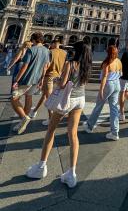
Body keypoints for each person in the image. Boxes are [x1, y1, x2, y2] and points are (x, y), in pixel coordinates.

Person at [26, 41, 92, 188]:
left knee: (51, 130)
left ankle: (41, 167)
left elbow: (62, 84)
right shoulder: (87, 66)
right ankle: (72, 173)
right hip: (80, 99)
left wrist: (57, 79)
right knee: (73, 134)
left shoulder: (71, 63)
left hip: (67, 100)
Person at [11, 33, 50, 135]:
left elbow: (24, 66)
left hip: (26, 79)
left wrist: (16, 80)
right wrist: (42, 79)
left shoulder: (31, 50)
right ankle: (22, 122)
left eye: (31, 40)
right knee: (29, 97)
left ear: (34, 40)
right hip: (37, 80)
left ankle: (24, 118)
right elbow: (45, 67)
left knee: (14, 99)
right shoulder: (47, 51)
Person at [83, 45, 122, 140]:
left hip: (108, 85)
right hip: (117, 84)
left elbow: (104, 77)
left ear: (108, 52)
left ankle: (89, 126)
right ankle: (115, 132)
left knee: (99, 106)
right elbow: (121, 73)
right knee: (114, 109)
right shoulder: (118, 61)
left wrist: (101, 90)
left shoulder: (107, 63)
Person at [30, 39, 67, 125]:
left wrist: (41, 78)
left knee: (48, 97)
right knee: (45, 94)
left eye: (51, 44)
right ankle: (34, 111)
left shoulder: (50, 52)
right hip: (58, 76)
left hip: (49, 76)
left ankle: (51, 119)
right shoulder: (64, 53)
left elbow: (46, 66)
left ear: (53, 44)